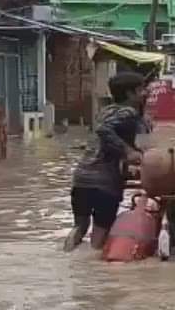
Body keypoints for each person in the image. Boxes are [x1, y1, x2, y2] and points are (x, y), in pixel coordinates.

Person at [63, 72, 149, 252]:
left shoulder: (105, 111)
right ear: (129, 94)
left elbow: (105, 136)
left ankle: (67, 257)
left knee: (79, 227)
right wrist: (129, 152)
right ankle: (91, 265)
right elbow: (104, 131)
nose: (146, 93)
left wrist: (132, 152)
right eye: (141, 90)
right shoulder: (128, 112)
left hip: (81, 177)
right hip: (105, 182)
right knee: (99, 235)